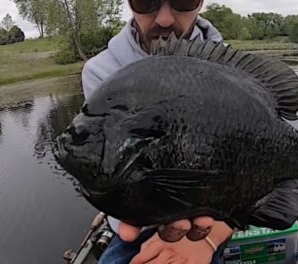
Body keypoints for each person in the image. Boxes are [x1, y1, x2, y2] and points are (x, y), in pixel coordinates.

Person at [81, 0, 234, 263]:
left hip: (209, 223)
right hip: (136, 225)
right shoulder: (100, 72)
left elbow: (246, 169)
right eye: (145, 1)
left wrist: (210, 240)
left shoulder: (233, 70)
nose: (164, 19)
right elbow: (109, 172)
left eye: (183, 1)